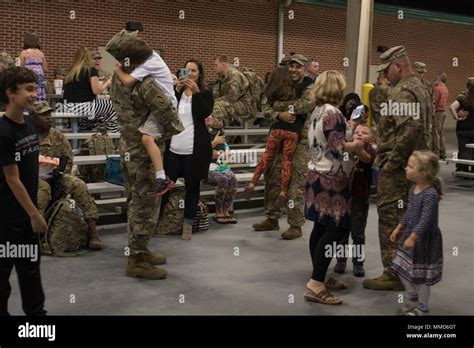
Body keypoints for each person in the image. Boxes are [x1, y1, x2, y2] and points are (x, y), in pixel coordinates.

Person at [106, 29, 183, 280]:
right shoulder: (146, 82)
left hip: (128, 145)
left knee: (134, 199)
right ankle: (137, 258)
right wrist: (166, 134)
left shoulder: (117, 77)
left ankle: (141, 249)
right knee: (145, 202)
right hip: (144, 153)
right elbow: (168, 114)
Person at [363, 46, 432, 291]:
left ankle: (393, 272)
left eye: (386, 70)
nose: (385, 76)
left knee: (391, 216)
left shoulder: (402, 91)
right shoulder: (421, 87)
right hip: (419, 166)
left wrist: (393, 162)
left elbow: (410, 129)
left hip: (401, 167)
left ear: (397, 66)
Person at [303, 71, 366, 305]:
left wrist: (348, 128)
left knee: (321, 227)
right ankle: (316, 282)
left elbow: (329, 139)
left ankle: (319, 275)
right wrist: (359, 144)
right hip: (331, 178)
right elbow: (339, 149)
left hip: (315, 174)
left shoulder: (319, 111)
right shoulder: (333, 113)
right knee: (338, 229)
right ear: (337, 89)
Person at [0, 66, 47, 315]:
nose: (34, 94)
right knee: (3, 276)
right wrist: (34, 214)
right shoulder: (3, 131)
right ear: (10, 93)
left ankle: (37, 320)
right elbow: (12, 179)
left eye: (35, 88)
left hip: (27, 215)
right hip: (8, 220)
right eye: (28, 89)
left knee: (30, 272)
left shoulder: (29, 122)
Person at [254, 54, 315, 240]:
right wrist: (279, 115)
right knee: (272, 176)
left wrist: (279, 106)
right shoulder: (281, 84)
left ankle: (295, 224)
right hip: (278, 137)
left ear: (305, 68)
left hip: (301, 141)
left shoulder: (310, 87)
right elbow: (266, 107)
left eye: (298, 67)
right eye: (291, 66)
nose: (293, 70)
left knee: (294, 184)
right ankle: (272, 217)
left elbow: (304, 105)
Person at [113, 32, 180, 195]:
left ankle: (162, 178)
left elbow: (127, 81)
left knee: (147, 138)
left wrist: (116, 69)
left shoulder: (148, 63)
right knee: (149, 139)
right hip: (159, 105)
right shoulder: (152, 57)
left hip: (166, 107)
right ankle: (161, 175)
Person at [31, 101, 103, 250]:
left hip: (56, 177)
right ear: (32, 116)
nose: (48, 118)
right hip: (33, 180)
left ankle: (92, 231)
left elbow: (68, 160)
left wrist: (61, 174)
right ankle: (37, 236)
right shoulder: (26, 137)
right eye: (43, 115)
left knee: (79, 184)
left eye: (49, 114)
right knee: (42, 190)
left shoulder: (57, 136)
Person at [164, 59, 214, 240]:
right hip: (174, 149)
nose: (190, 73)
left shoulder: (205, 94)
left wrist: (197, 92)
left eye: (194, 70)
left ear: (199, 74)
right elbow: (167, 110)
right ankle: (159, 220)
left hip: (194, 150)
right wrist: (176, 90)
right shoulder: (175, 92)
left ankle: (188, 225)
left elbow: (204, 112)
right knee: (166, 185)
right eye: (187, 70)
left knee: (192, 189)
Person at [390, 151, 443, 316]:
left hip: (425, 241)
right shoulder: (413, 189)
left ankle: (422, 307)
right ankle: (412, 295)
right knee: (399, 266)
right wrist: (399, 227)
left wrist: (413, 237)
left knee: (424, 277)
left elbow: (426, 219)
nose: (406, 168)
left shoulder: (430, 194)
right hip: (410, 236)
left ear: (423, 173)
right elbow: (410, 212)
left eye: (410, 166)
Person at [245, 67, 305, 206]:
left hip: (277, 129)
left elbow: (267, 110)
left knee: (266, 157)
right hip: (292, 131)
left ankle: (253, 182)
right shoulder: (295, 91)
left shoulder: (271, 93)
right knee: (286, 161)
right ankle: (283, 192)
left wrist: (278, 113)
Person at [334, 124, 376, 277]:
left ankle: (358, 263)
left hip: (359, 197)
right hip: (343, 197)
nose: (359, 134)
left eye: (364, 133)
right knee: (341, 232)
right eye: (356, 132)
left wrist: (357, 147)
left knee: (358, 233)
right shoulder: (347, 147)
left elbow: (366, 159)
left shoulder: (370, 150)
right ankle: (340, 260)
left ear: (371, 139)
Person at [62, 47, 118, 133]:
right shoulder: (91, 70)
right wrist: (108, 83)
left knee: (101, 109)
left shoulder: (71, 71)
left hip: (66, 106)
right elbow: (97, 91)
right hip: (81, 106)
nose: (96, 61)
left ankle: (84, 128)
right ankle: (113, 135)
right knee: (112, 106)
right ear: (88, 58)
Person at [206, 117, 237, 224]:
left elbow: (227, 152)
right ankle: (218, 211)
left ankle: (226, 210)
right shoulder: (201, 134)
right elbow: (201, 153)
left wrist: (218, 153)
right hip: (206, 168)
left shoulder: (221, 135)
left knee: (232, 178)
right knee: (223, 179)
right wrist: (214, 143)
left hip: (222, 166)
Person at [212, 55, 253, 128]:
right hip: (234, 103)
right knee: (212, 105)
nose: (214, 68)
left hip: (244, 104)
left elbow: (232, 98)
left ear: (223, 65)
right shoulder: (222, 77)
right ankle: (226, 134)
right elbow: (217, 94)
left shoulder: (234, 75)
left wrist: (214, 101)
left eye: (216, 65)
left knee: (216, 107)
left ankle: (217, 134)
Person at [449, 77, 474, 173]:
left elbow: (452, 107)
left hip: (463, 129)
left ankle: (462, 169)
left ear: (467, 86)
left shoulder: (462, 98)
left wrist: (457, 117)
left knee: (463, 149)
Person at [19, 32, 47, 101]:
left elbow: (20, 67)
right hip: (40, 78)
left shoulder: (24, 53)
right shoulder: (41, 53)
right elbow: (45, 69)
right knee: (38, 96)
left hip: (28, 77)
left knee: (29, 93)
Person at [413, 62, 434, 151]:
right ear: (414, 71)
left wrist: (432, 112)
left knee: (426, 146)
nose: (421, 75)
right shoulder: (410, 85)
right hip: (414, 120)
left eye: (423, 73)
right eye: (419, 73)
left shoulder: (427, 85)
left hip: (427, 120)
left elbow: (432, 100)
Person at [431, 73, 449, 159]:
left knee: (435, 133)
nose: (436, 78)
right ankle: (443, 153)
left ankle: (436, 154)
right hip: (443, 112)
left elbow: (434, 102)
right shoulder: (445, 88)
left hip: (438, 112)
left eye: (437, 77)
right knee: (441, 133)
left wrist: (432, 113)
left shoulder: (437, 88)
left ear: (440, 78)